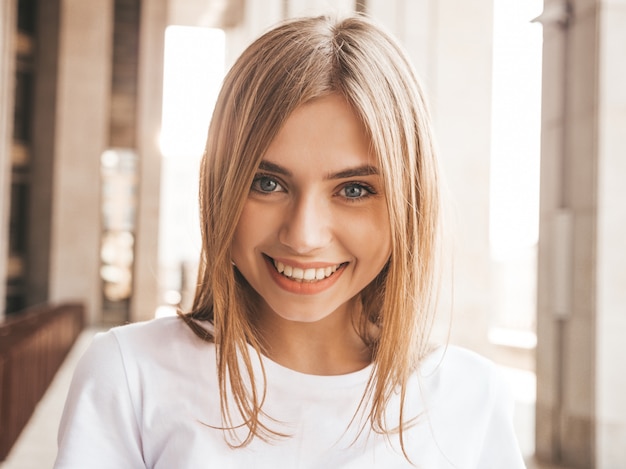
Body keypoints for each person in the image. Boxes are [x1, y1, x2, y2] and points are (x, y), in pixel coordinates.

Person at [54, 14, 526, 468]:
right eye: (267, 183)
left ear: (410, 202)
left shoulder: (470, 397)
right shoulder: (129, 375)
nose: (303, 236)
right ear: (221, 187)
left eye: (354, 190)